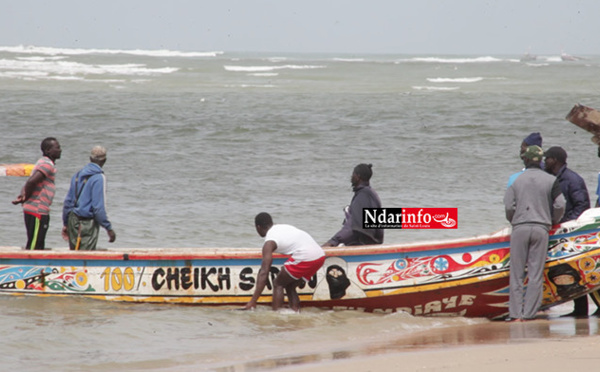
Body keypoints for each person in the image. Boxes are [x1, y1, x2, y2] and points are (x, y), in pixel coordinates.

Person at [504, 145, 565, 321]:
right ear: (541, 161)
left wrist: (514, 219)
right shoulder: (551, 180)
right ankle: (529, 314)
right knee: (535, 273)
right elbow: (560, 204)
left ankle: (515, 314)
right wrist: (553, 220)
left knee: (516, 274)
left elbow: (508, 205)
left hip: (520, 227)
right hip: (541, 228)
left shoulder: (516, 180)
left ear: (526, 159)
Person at [544, 146, 598, 317]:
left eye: (547, 158)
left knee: (582, 269)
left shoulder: (572, 179)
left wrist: (566, 223)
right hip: (560, 230)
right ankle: (580, 309)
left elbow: (582, 205)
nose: (545, 161)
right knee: (568, 269)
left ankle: (587, 308)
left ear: (555, 160)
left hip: (572, 231)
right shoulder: (553, 178)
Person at [243, 212, 325, 311]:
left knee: (278, 283)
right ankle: (295, 311)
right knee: (290, 285)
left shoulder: (269, 242)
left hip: (306, 256)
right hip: (320, 256)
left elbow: (264, 272)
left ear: (258, 227)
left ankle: (277, 313)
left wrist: (253, 301)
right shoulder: (282, 227)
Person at [62, 146, 116, 250]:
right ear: (104, 160)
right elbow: (98, 208)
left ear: (90, 159)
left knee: (74, 253)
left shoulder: (77, 175)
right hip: (87, 223)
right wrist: (109, 228)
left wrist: (66, 223)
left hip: (73, 220)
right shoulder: (99, 178)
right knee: (85, 255)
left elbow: (68, 202)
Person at [12, 137, 62, 250]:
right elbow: (31, 182)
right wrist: (25, 198)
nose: (60, 150)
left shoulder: (42, 162)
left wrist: (23, 195)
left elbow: (29, 182)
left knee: (37, 243)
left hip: (36, 209)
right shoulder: (47, 165)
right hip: (37, 210)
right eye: (57, 147)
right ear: (48, 150)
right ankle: (28, 266)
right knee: (34, 246)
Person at [323, 163, 383, 247]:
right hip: (372, 243)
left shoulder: (363, 196)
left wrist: (333, 241)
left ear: (357, 177)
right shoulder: (370, 194)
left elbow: (353, 226)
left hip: (363, 244)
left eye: (353, 174)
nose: (351, 177)